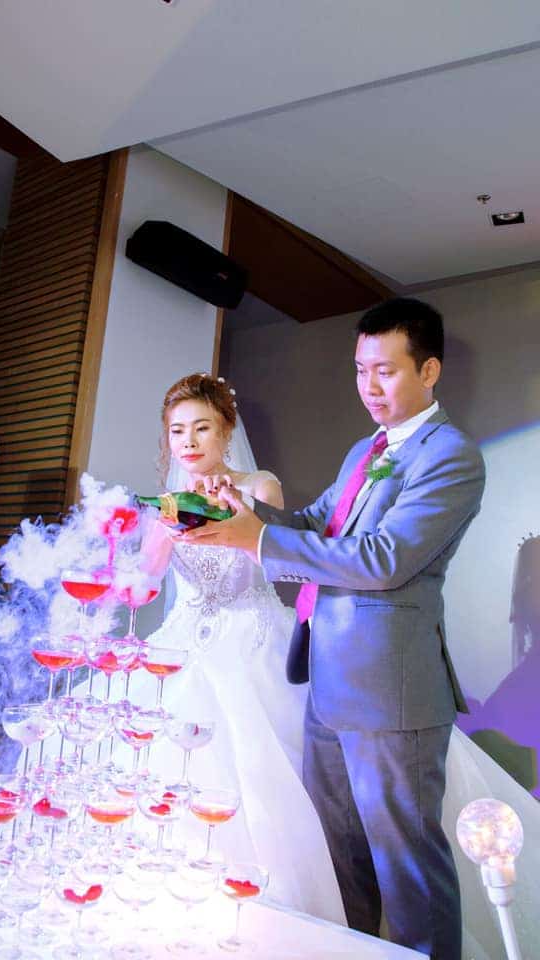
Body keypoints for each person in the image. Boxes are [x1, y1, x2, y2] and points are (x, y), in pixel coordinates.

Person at [180, 298, 483, 960]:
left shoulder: (451, 456)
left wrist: (258, 541)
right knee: (341, 852)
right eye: (359, 370)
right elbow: (319, 523)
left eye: (385, 371)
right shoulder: (364, 450)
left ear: (429, 371)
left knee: (407, 864)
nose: (368, 386)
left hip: (390, 692)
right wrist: (244, 509)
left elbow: (384, 559)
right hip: (327, 678)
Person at [140, 372, 346, 922]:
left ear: (226, 432)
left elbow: (272, 563)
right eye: (177, 430)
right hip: (182, 641)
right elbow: (143, 585)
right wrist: (159, 533)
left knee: (262, 764)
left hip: (250, 634)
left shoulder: (259, 486)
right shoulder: (164, 502)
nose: (188, 441)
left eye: (201, 428)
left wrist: (231, 516)